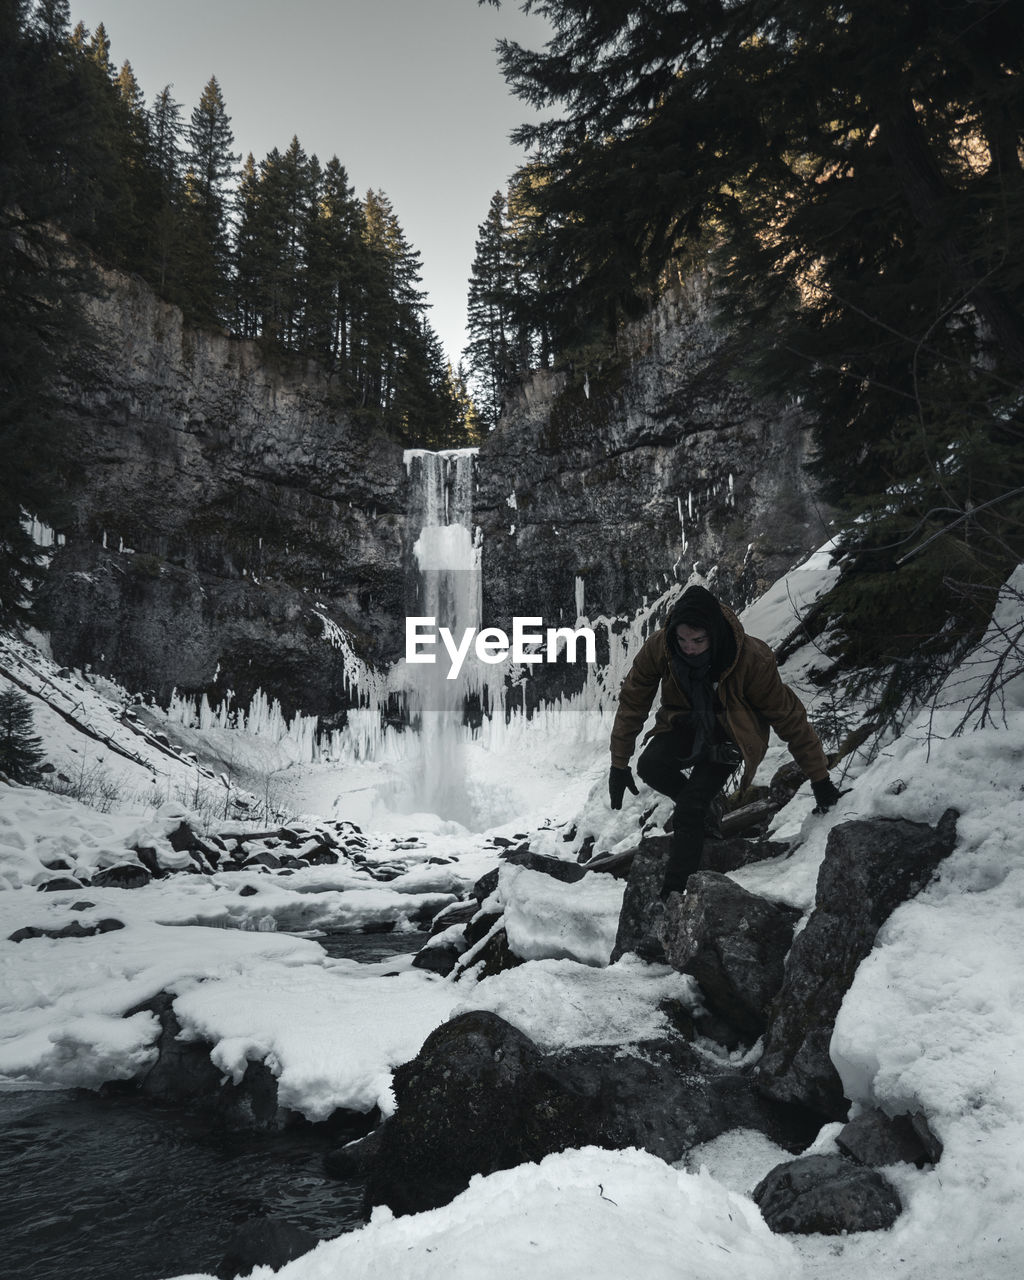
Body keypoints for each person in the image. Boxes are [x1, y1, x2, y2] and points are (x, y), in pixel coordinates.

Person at [608, 584, 841, 899]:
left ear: (714, 635)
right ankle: (708, 808)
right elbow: (633, 701)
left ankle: (675, 893)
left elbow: (790, 718)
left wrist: (820, 778)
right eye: (683, 640)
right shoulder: (661, 647)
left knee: (690, 807)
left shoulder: (751, 659)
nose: (689, 648)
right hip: (686, 723)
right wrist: (618, 763)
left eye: (698, 641)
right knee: (650, 766)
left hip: (733, 734)